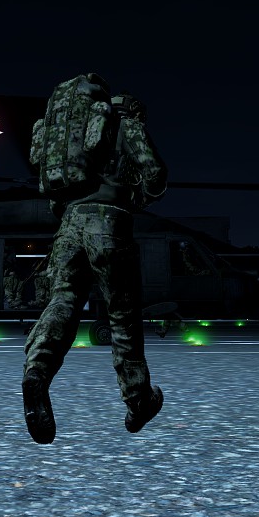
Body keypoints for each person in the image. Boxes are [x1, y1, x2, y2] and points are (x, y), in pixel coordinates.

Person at [20, 75, 168, 444]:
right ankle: (138, 400)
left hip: (69, 226)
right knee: (122, 313)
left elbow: (54, 196)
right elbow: (155, 174)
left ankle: (37, 371)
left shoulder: (67, 133)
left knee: (63, 301)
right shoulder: (124, 125)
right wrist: (135, 200)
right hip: (110, 223)